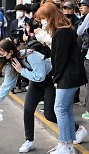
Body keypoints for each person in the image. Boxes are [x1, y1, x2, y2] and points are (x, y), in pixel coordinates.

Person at [35, 3, 87, 153]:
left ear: (50, 17)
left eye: (43, 18)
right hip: (70, 75)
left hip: (67, 76)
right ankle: (68, 145)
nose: (42, 22)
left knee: (60, 109)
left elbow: (60, 59)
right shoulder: (63, 30)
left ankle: (64, 144)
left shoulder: (61, 32)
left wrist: (56, 78)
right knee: (66, 110)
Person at [0, 39, 57, 153]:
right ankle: (29, 141)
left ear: (10, 52)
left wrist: (22, 70)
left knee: (49, 114)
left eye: (2, 54)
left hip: (49, 80)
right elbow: (7, 85)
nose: (1, 57)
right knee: (28, 109)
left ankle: (76, 129)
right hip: (35, 82)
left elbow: (40, 76)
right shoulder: (12, 62)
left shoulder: (31, 56)